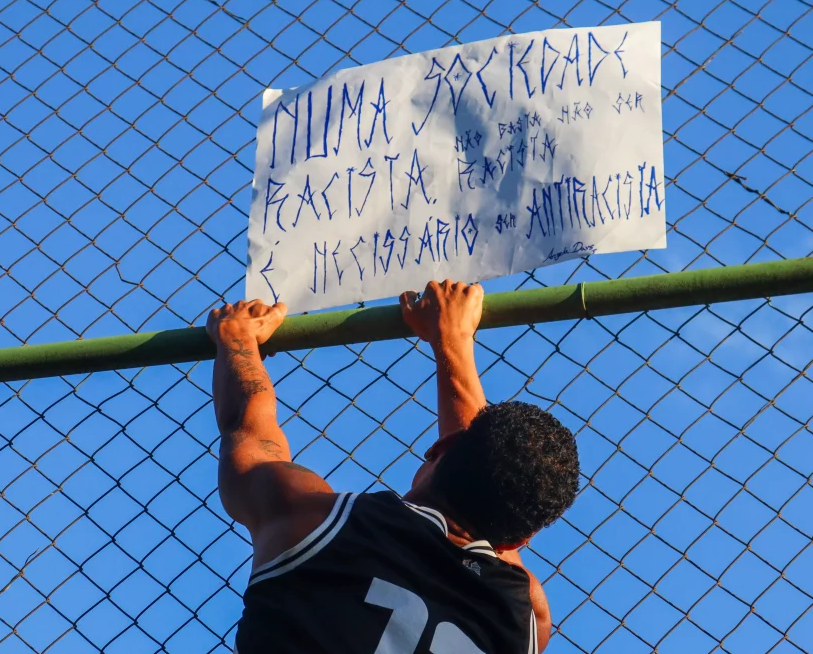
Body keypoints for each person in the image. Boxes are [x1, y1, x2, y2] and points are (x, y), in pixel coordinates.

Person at [206, 280, 581, 654]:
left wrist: (235, 335)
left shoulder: (311, 521)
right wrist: (452, 340)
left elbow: (247, 424)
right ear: (516, 541)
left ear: (438, 450)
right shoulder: (524, 623)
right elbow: (495, 514)